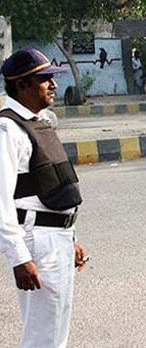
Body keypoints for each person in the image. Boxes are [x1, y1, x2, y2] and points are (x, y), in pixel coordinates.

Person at [0, 47, 88, 348]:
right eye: (44, 78)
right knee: (43, 338)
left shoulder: (40, 122)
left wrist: (70, 237)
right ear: (22, 85)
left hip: (56, 237)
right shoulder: (7, 129)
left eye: (52, 77)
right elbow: (1, 203)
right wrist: (19, 258)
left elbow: (49, 188)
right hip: (37, 241)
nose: (53, 84)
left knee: (55, 333)